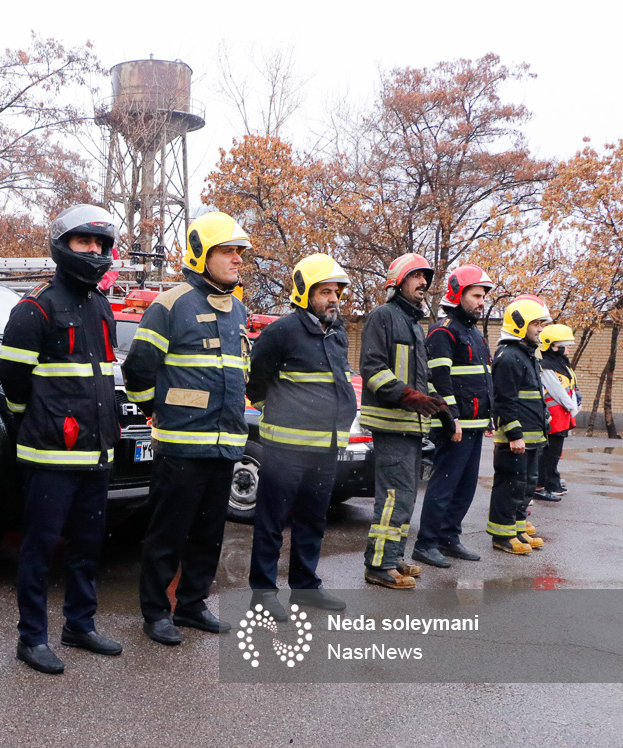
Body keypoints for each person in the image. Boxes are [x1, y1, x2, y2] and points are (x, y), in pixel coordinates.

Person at [0, 205, 122, 673]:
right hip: (50, 454)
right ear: (61, 245)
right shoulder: (36, 306)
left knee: (87, 546)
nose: (93, 250)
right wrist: (41, 421)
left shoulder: (101, 305)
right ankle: (31, 638)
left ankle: (79, 625)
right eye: (84, 241)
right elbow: (13, 380)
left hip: (96, 452)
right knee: (39, 548)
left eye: (100, 243)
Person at [121, 212, 250, 643]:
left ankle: (192, 605)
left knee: (209, 535)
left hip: (224, 445)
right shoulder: (171, 304)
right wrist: (152, 410)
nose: (237, 259)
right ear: (201, 255)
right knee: (167, 535)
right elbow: (138, 368)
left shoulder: (238, 310)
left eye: (239, 252)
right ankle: (156, 612)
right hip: (181, 446)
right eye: (227, 251)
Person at [244, 254, 357, 617]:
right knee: (272, 523)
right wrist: (277, 410)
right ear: (304, 293)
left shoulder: (337, 333)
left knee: (312, 522)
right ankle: (263, 595)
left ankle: (305, 588)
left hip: (325, 449)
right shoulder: (281, 332)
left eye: (336, 292)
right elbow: (256, 381)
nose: (333, 299)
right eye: (325, 292)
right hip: (284, 450)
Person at [359, 253, 452, 589]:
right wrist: (409, 397)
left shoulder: (413, 324)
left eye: (425, 277)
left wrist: (440, 409)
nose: (423, 282)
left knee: (406, 497)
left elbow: (422, 378)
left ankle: (394, 556)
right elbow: (372, 369)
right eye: (416, 276)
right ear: (398, 282)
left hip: (411, 427)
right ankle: (379, 565)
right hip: (391, 425)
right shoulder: (383, 316)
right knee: (393, 498)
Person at [413, 265, 496, 567]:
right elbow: (440, 379)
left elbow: (483, 378)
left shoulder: (474, 332)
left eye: (483, 296)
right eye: (476, 295)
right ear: (458, 294)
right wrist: (452, 417)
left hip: (474, 424)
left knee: (464, 487)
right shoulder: (443, 330)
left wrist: (489, 417)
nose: (481, 302)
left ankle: (448, 538)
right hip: (455, 425)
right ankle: (426, 544)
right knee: (443, 487)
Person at [486, 295, 552, 553]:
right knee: (510, 486)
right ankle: (502, 536)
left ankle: (517, 529)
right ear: (520, 325)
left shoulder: (526, 355)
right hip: (516, 440)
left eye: (541, 324)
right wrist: (514, 434)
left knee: (525, 486)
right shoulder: (509, 356)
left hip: (531, 438)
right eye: (536, 324)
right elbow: (504, 400)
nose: (540, 329)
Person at [536, 324, 581, 501]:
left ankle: (551, 481)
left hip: (562, 415)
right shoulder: (547, 366)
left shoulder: (562, 365)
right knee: (549, 453)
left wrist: (575, 403)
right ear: (553, 346)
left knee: (554, 453)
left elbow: (569, 388)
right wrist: (572, 407)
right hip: (554, 416)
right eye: (564, 344)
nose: (568, 347)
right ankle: (543, 484)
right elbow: (557, 391)